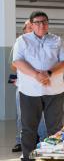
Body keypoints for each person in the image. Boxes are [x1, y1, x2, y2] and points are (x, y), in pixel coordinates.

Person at [12, 11, 64, 161]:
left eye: (44, 22)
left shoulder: (57, 40)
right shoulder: (22, 40)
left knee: (55, 127)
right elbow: (17, 61)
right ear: (31, 24)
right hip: (29, 91)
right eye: (37, 22)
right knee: (29, 128)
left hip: (55, 90)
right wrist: (36, 75)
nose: (41, 25)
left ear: (48, 23)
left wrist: (49, 73)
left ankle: (54, 160)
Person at [11, 20, 48, 153]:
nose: (32, 29)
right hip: (23, 87)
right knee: (22, 116)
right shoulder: (19, 43)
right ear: (25, 30)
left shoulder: (46, 43)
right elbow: (13, 65)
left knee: (42, 116)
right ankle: (20, 142)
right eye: (28, 27)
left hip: (43, 87)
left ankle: (44, 141)